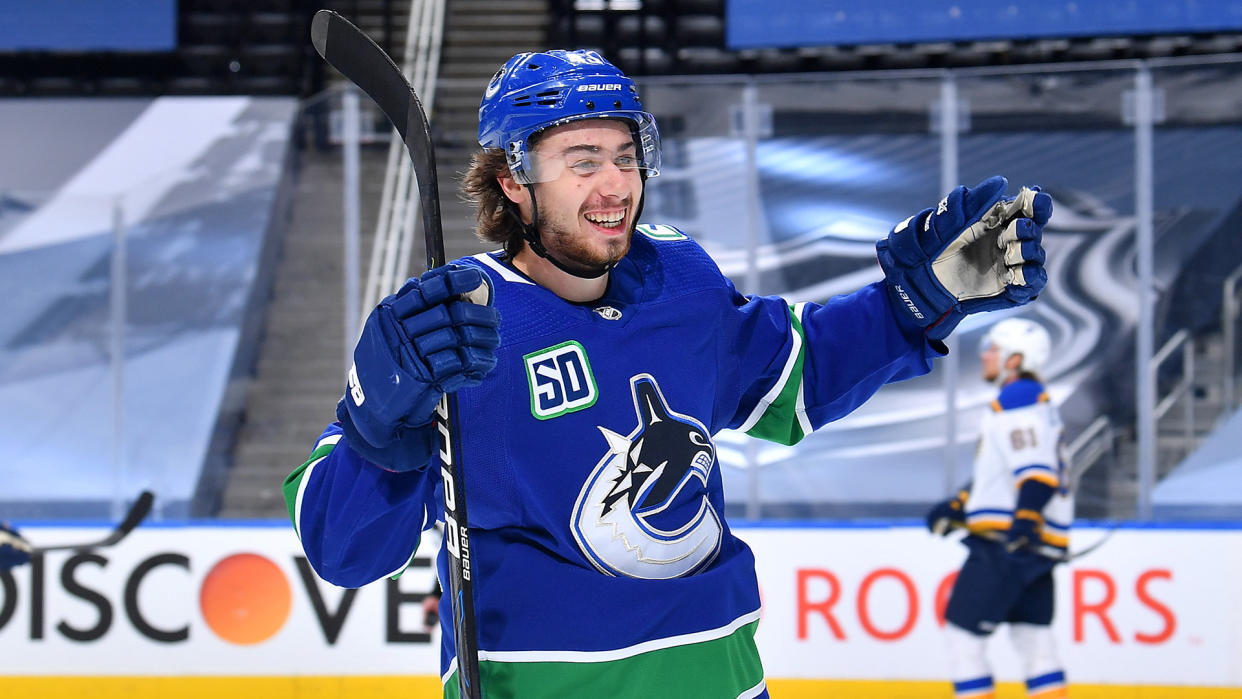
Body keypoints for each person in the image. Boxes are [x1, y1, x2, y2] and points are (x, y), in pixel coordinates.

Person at [284, 48, 1053, 698]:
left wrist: (911, 304)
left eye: (625, 156)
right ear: (513, 182)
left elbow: (794, 376)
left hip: (723, 674)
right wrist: (378, 425)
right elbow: (344, 550)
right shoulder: (451, 334)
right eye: (581, 162)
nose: (615, 185)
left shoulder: (676, 277)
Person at [927, 318, 1071, 699]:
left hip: (1005, 547)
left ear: (1014, 359)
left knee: (963, 641)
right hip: (1034, 548)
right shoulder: (1035, 400)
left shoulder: (1017, 399)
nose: (985, 354)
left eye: (993, 348)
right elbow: (1009, 472)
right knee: (1034, 642)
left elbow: (1036, 475)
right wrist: (959, 505)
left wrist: (1023, 521)